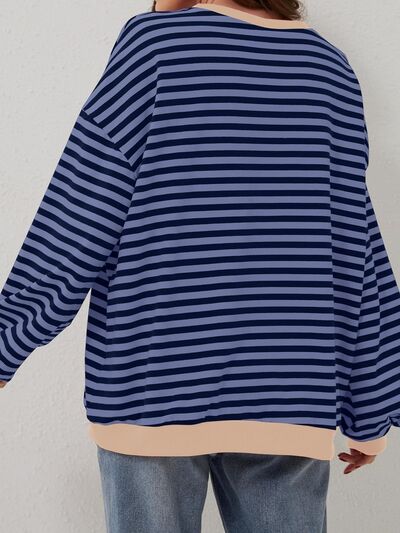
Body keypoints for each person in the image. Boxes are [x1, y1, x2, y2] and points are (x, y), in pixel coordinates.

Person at [1, 0, 400, 531]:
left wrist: (8, 336)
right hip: (289, 392)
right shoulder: (329, 67)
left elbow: (81, 211)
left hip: (152, 384)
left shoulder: (155, 48)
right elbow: (354, 242)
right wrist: (370, 403)